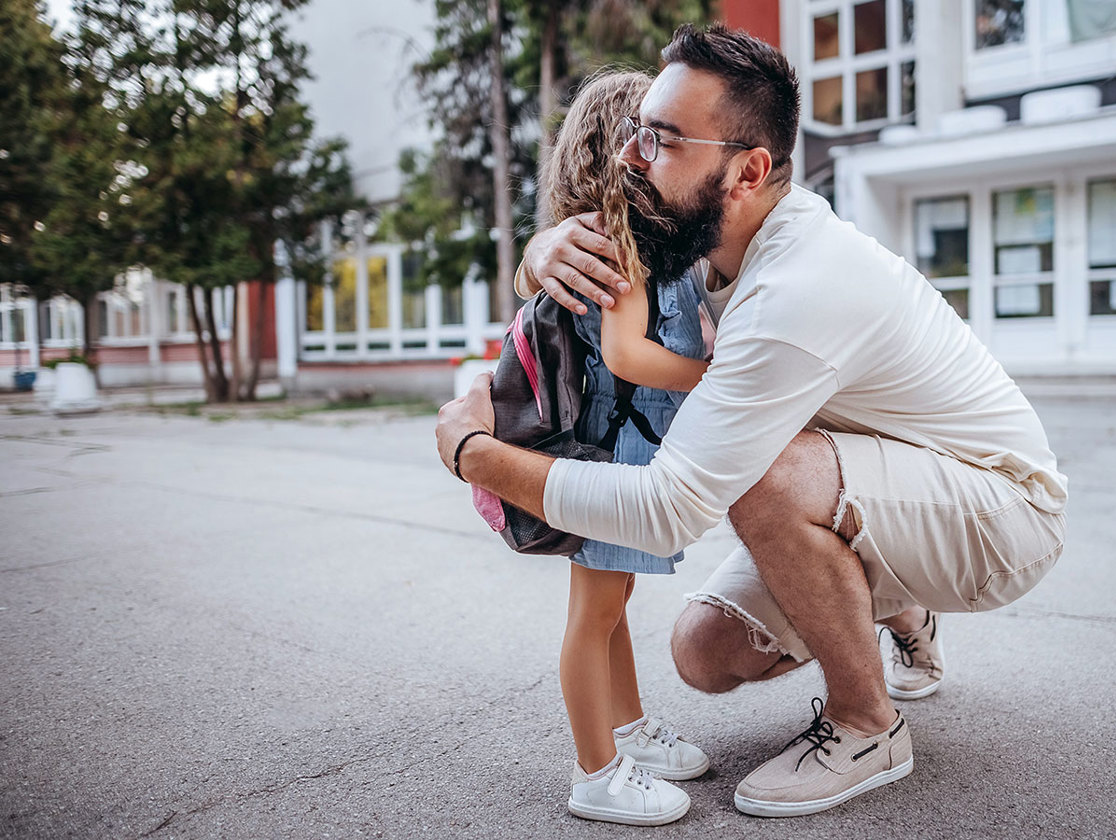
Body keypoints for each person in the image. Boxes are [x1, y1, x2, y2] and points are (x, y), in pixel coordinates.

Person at [437, 24, 1068, 818]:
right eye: (635, 133)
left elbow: (668, 508)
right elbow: (607, 265)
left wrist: (474, 453)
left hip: (1002, 510)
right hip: (879, 472)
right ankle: (898, 600)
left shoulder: (797, 285)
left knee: (760, 475)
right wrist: (544, 248)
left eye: (660, 140)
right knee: (703, 653)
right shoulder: (709, 232)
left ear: (748, 170)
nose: (633, 156)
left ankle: (868, 725)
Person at [529, 70, 712, 827]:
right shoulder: (621, 241)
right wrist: (714, 376)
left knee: (612, 604)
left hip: (622, 450)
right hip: (613, 454)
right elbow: (628, 354)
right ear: (626, 147)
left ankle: (629, 728)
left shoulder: (638, 237)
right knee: (593, 613)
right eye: (654, 131)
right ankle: (595, 771)